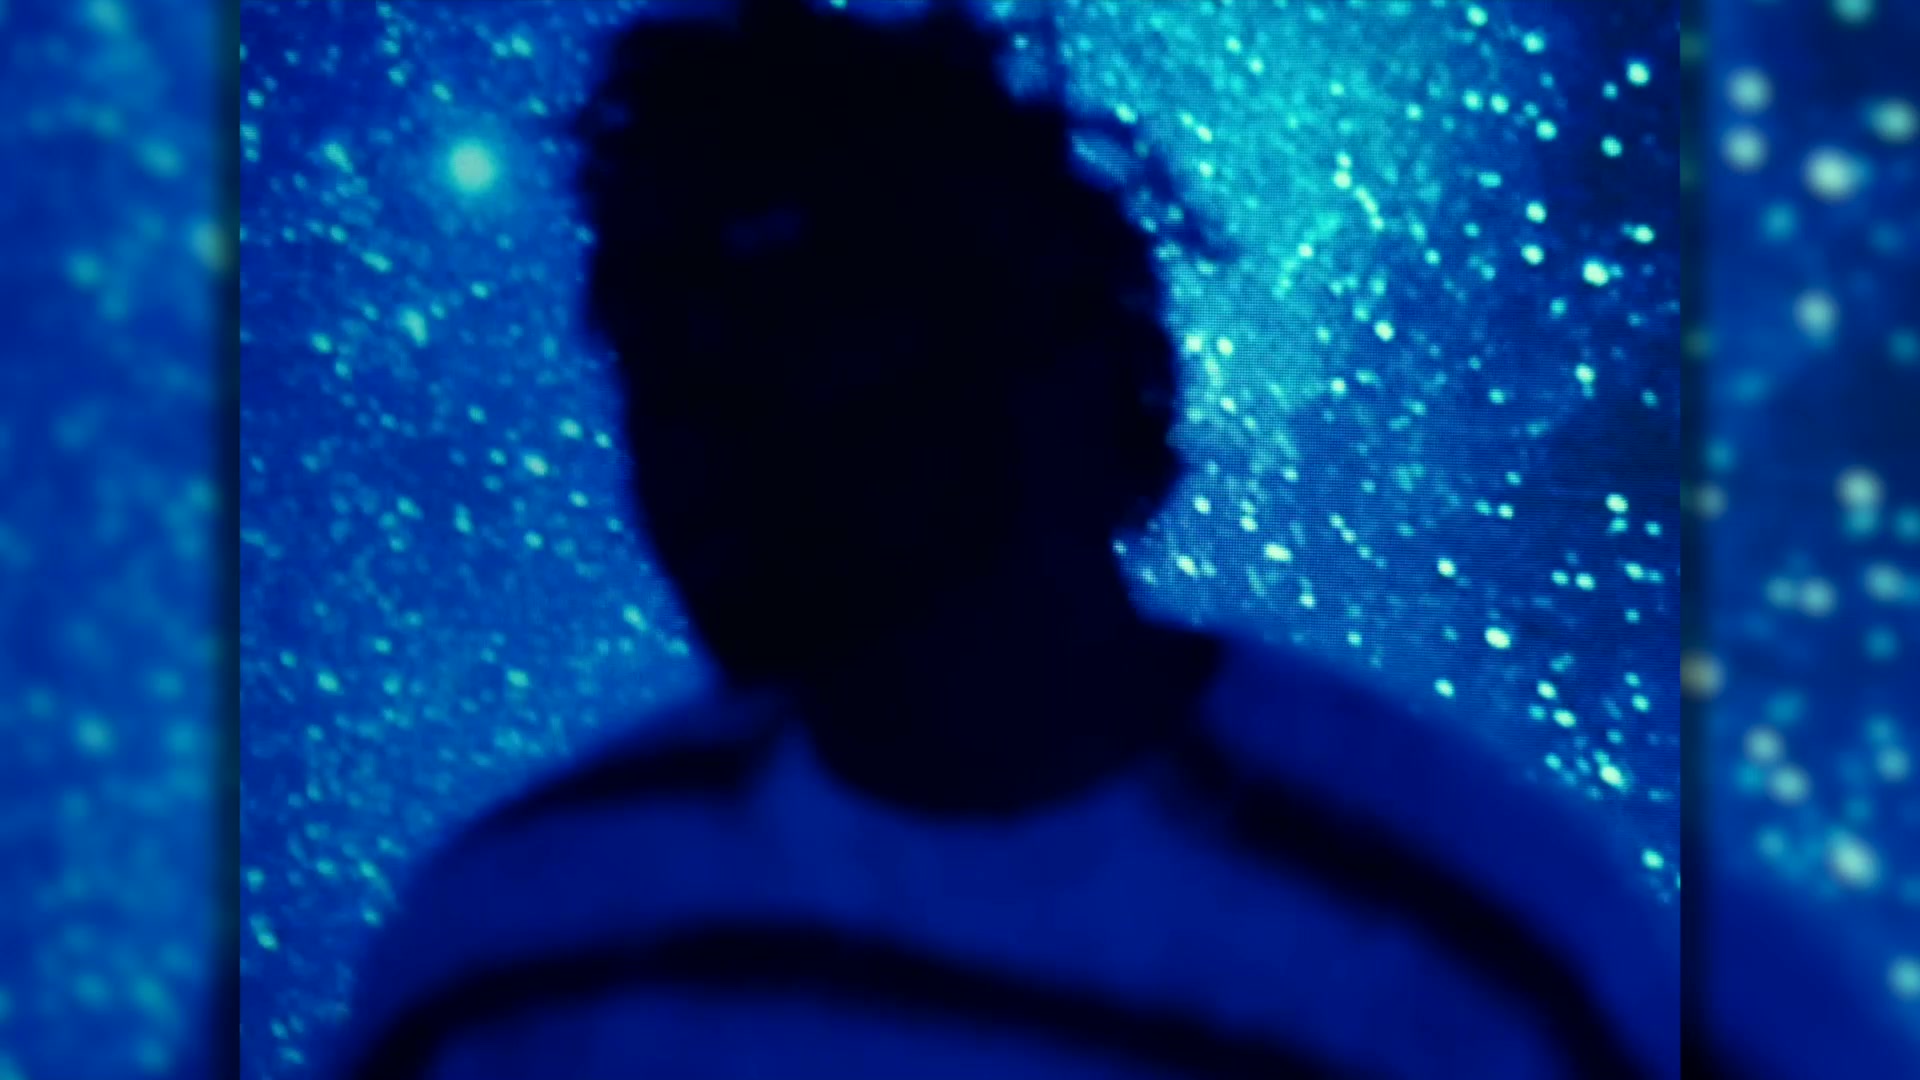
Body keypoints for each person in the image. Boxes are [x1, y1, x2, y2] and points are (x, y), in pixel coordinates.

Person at [328, 2, 1684, 1077]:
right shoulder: (506, 953)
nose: (704, 432)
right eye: (659, 354)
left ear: (1047, 359)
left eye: (797, 325)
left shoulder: (1476, 969)